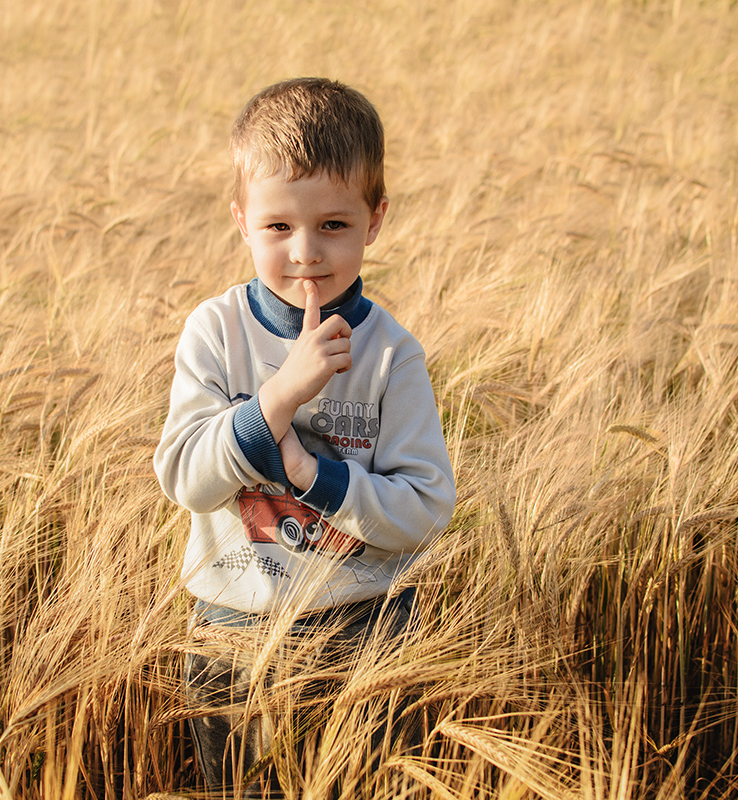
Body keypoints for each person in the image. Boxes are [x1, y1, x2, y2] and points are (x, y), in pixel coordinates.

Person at [153, 77, 455, 796]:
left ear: (375, 219)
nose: (306, 252)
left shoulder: (390, 354)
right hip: (232, 628)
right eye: (278, 227)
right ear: (241, 219)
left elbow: (425, 508)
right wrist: (281, 396)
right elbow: (185, 480)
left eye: (334, 225)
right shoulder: (216, 333)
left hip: (363, 631)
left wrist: (314, 478)